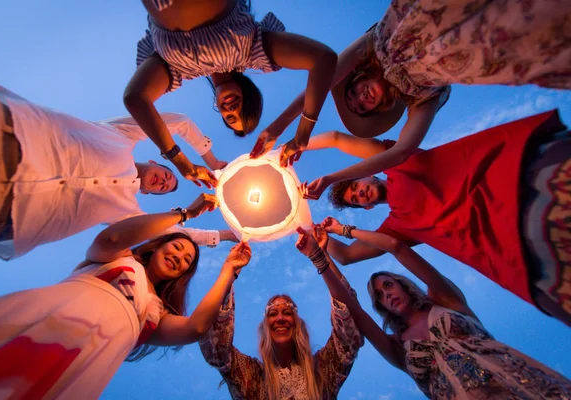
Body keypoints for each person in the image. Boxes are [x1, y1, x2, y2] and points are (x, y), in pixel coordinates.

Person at [268, 0, 569, 198]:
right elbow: (400, 152)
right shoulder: (421, 98)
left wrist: (284, 128)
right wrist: (331, 178)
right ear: (378, 110)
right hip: (488, 43)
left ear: (357, 78)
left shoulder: (372, 47)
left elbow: (326, 77)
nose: (361, 98)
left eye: (354, 93)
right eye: (362, 108)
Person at [0, 192, 253, 398]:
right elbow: (112, 238)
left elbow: (196, 328)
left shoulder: (156, 314)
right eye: (176, 248)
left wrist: (229, 268)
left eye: (186, 261)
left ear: (182, 276)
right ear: (155, 247)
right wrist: (185, 215)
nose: (179, 257)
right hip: (49, 315)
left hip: (88, 364)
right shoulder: (116, 257)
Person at [305, 111, 571, 326]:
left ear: (369, 173)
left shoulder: (399, 160)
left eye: (355, 186)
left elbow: (337, 138)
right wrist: (314, 231)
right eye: (356, 199)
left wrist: (298, 144)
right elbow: (348, 256)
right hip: (513, 243)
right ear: (368, 208)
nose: (359, 193)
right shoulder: (399, 226)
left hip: (517, 182)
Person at [0, 78, 233, 260]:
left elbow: (170, 231)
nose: (164, 181)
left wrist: (221, 234)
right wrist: (210, 160)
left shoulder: (125, 211)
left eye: (164, 187)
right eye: (168, 175)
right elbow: (179, 123)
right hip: (3, 132)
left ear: (147, 194)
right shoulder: (122, 136)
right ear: (155, 161)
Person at [303, 221, 571, 399]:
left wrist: (344, 230)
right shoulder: (396, 347)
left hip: (528, 386)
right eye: (381, 296)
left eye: (389, 285)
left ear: (403, 286)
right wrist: (320, 256)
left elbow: (396, 246)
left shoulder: (446, 300)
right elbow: (353, 308)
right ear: (382, 306)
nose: (387, 294)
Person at [125, 0, 338, 173]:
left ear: (218, 109)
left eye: (230, 117)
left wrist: (180, 161)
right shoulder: (253, 51)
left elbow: (135, 98)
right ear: (249, 95)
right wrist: (303, 132)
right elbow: (323, 58)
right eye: (242, 111)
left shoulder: (178, 71)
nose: (232, 109)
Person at [198, 227, 363, 400]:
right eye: (272, 314)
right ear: (264, 327)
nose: (280, 318)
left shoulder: (322, 369)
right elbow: (215, 349)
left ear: (298, 323)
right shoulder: (250, 375)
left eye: (287, 312)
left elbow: (350, 332)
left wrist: (320, 257)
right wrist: (230, 272)